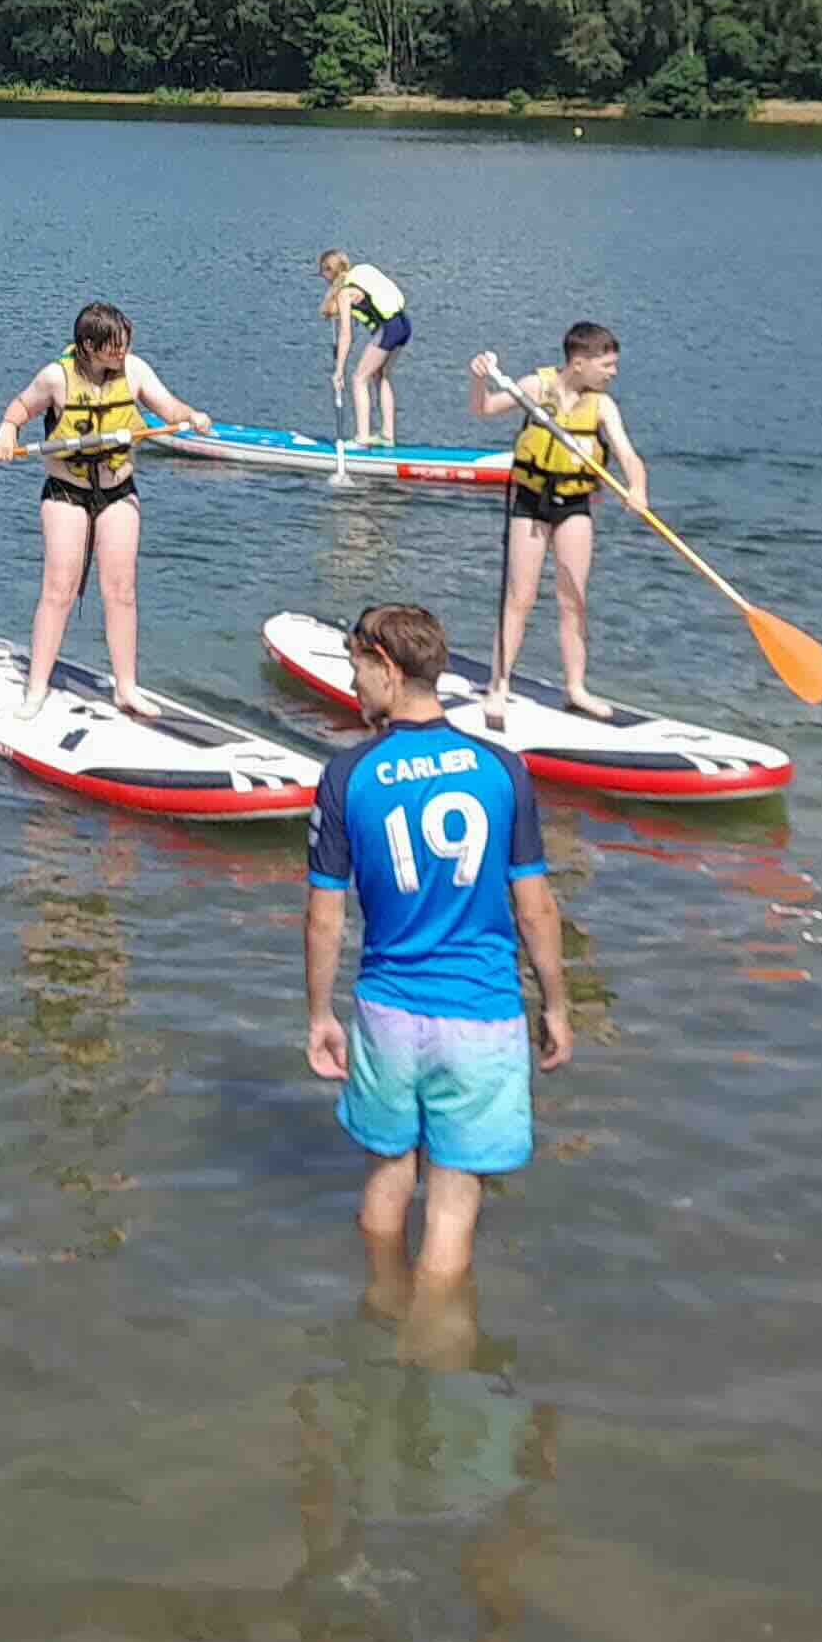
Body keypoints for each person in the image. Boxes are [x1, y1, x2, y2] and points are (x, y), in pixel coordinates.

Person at [303, 601, 571, 1287]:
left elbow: (325, 917)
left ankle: (379, 1314)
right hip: (480, 1015)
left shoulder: (347, 776)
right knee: (452, 1209)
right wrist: (556, 1006)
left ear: (387, 667)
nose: (354, 685)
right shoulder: (502, 769)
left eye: (357, 668)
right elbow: (535, 907)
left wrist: (320, 1016)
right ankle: (436, 1358)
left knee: (389, 1176)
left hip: (389, 1015)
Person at [0, 300, 215, 718]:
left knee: (122, 591)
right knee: (58, 589)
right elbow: (20, 408)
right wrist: (7, 429)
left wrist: (192, 416)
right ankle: (35, 688)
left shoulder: (136, 370)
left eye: (124, 344)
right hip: (66, 492)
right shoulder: (56, 377)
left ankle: (126, 688)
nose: (121, 352)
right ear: (87, 346)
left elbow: (170, 408)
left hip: (117, 491)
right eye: (113, 346)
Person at [467, 324, 646, 725]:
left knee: (573, 598)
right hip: (531, 503)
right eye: (607, 365)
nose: (612, 373)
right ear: (578, 364)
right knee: (520, 598)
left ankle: (576, 688)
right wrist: (477, 380)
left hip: (574, 505)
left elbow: (628, 455)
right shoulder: (535, 387)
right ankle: (499, 685)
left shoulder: (602, 406)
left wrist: (637, 487)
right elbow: (482, 410)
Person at [318, 251, 412, 448]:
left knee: (358, 379)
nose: (322, 277)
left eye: (322, 273)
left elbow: (346, 335)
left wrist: (339, 371)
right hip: (404, 325)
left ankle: (362, 438)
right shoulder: (362, 272)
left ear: (329, 272)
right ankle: (387, 435)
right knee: (380, 376)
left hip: (389, 329)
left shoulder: (345, 293)